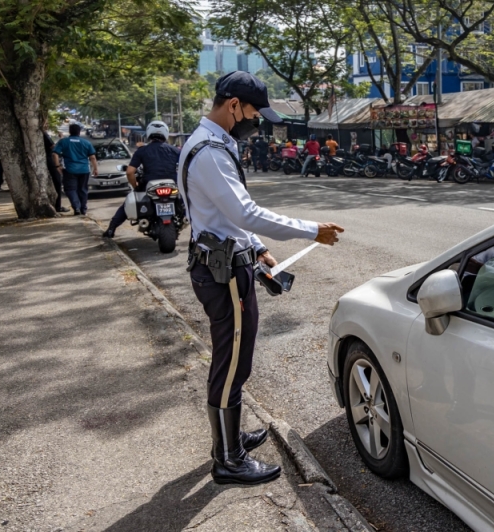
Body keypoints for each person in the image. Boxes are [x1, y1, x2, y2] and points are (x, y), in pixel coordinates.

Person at [178, 71, 343, 486]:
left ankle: (229, 440)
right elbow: (245, 212)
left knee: (234, 357)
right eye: (253, 112)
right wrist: (312, 230)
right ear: (233, 105)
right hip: (223, 273)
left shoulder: (207, 143)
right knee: (232, 362)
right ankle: (228, 460)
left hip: (226, 259)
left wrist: (257, 247)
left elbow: (226, 217)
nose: (256, 121)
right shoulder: (212, 151)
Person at [102, 121, 180, 238]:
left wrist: (135, 186)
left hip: (149, 185)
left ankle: (111, 229)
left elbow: (129, 172)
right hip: (173, 186)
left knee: (126, 205)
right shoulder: (175, 151)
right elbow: (188, 168)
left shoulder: (142, 151)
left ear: (148, 133)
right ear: (166, 133)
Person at [53, 123, 98, 215]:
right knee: (83, 190)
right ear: (79, 132)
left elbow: (54, 154)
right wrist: (95, 168)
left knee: (70, 189)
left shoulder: (64, 142)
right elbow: (92, 157)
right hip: (84, 170)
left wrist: (57, 166)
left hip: (70, 170)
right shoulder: (86, 142)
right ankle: (83, 209)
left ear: (70, 131)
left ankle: (76, 207)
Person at [42, 125, 69, 213]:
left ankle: (56, 205)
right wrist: (61, 139)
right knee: (57, 182)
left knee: (57, 182)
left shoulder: (44, 134)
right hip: (49, 161)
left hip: (47, 160)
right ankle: (57, 206)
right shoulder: (44, 134)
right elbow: (53, 147)